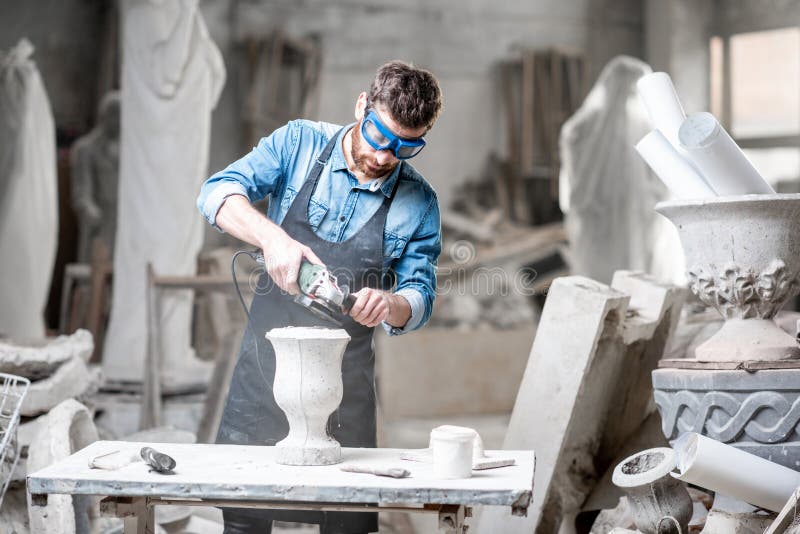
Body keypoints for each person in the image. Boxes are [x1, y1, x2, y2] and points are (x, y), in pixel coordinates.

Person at [196, 60, 443, 533]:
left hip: (342, 390)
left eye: (406, 147)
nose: (386, 156)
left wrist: (393, 305)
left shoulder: (420, 203)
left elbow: (420, 292)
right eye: (379, 136)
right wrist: (273, 240)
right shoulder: (298, 143)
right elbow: (217, 192)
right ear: (361, 107)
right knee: (245, 517)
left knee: (348, 520)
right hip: (264, 375)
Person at [70, 91, 120, 263]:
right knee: (93, 270)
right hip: (100, 222)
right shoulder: (86, 149)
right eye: (116, 115)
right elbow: (81, 192)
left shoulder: (130, 151)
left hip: (121, 221)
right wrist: (90, 212)